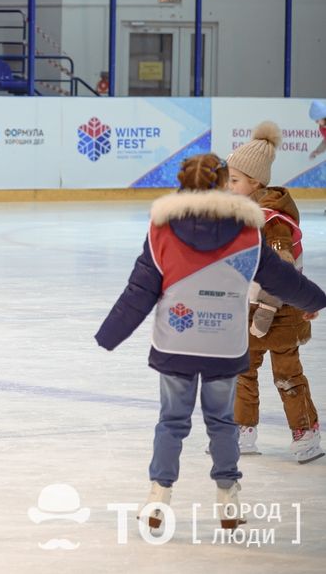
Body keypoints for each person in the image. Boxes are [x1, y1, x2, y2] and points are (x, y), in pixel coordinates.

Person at [95, 153, 326, 532]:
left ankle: (158, 498)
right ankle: (228, 498)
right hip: (224, 345)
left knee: (171, 421)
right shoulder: (248, 232)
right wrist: (314, 301)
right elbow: (284, 279)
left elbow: (139, 292)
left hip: (176, 343)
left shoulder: (161, 230)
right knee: (221, 422)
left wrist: (109, 335)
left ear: (183, 184)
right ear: (222, 184)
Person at [227, 121, 324, 463]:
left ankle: (306, 433)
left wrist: (268, 312)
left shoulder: (273, 222)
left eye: (235, 180)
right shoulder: (249, 216)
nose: (229, 185)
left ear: (255, 182)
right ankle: (243, 430)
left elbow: (281, 271)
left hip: (278, 315)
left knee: (287, 375)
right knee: (243, 372)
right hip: (251, 311)